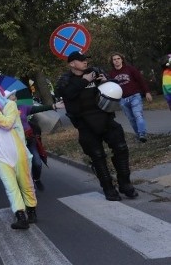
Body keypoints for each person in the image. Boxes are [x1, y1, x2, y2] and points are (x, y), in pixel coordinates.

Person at [56, 51, 137, 201]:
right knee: (97, 157)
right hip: (85, 124)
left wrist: (107, 81)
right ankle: (108, 188)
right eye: (81, 60)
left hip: (105, 118)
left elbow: (115, 87)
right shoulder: (66, 79)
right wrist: (84, 81)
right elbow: (66, 94)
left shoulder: (96, 72)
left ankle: (125, 184)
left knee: (121, 148)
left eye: (86, 59)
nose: (85, 62)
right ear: (72, 64)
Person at [0, 87, 37, 229]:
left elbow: (6, 124)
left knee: (25, 182)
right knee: (10, 187)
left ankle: (31, 210)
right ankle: (20, 216)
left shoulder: (10, 105)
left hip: (16, 150)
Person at [107, 52, 153, 142]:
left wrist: (147, 92)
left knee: (138, 115)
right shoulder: (111, 74)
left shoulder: (130, 69)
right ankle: (138, 136)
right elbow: (111, 88)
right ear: (112, 62)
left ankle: (142, 133)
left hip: (134, 96)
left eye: (118, 59)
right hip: (122, 99)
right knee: (131, 119)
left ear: (122, 60)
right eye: (114, 59)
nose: (116, 61)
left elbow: (141, 80)